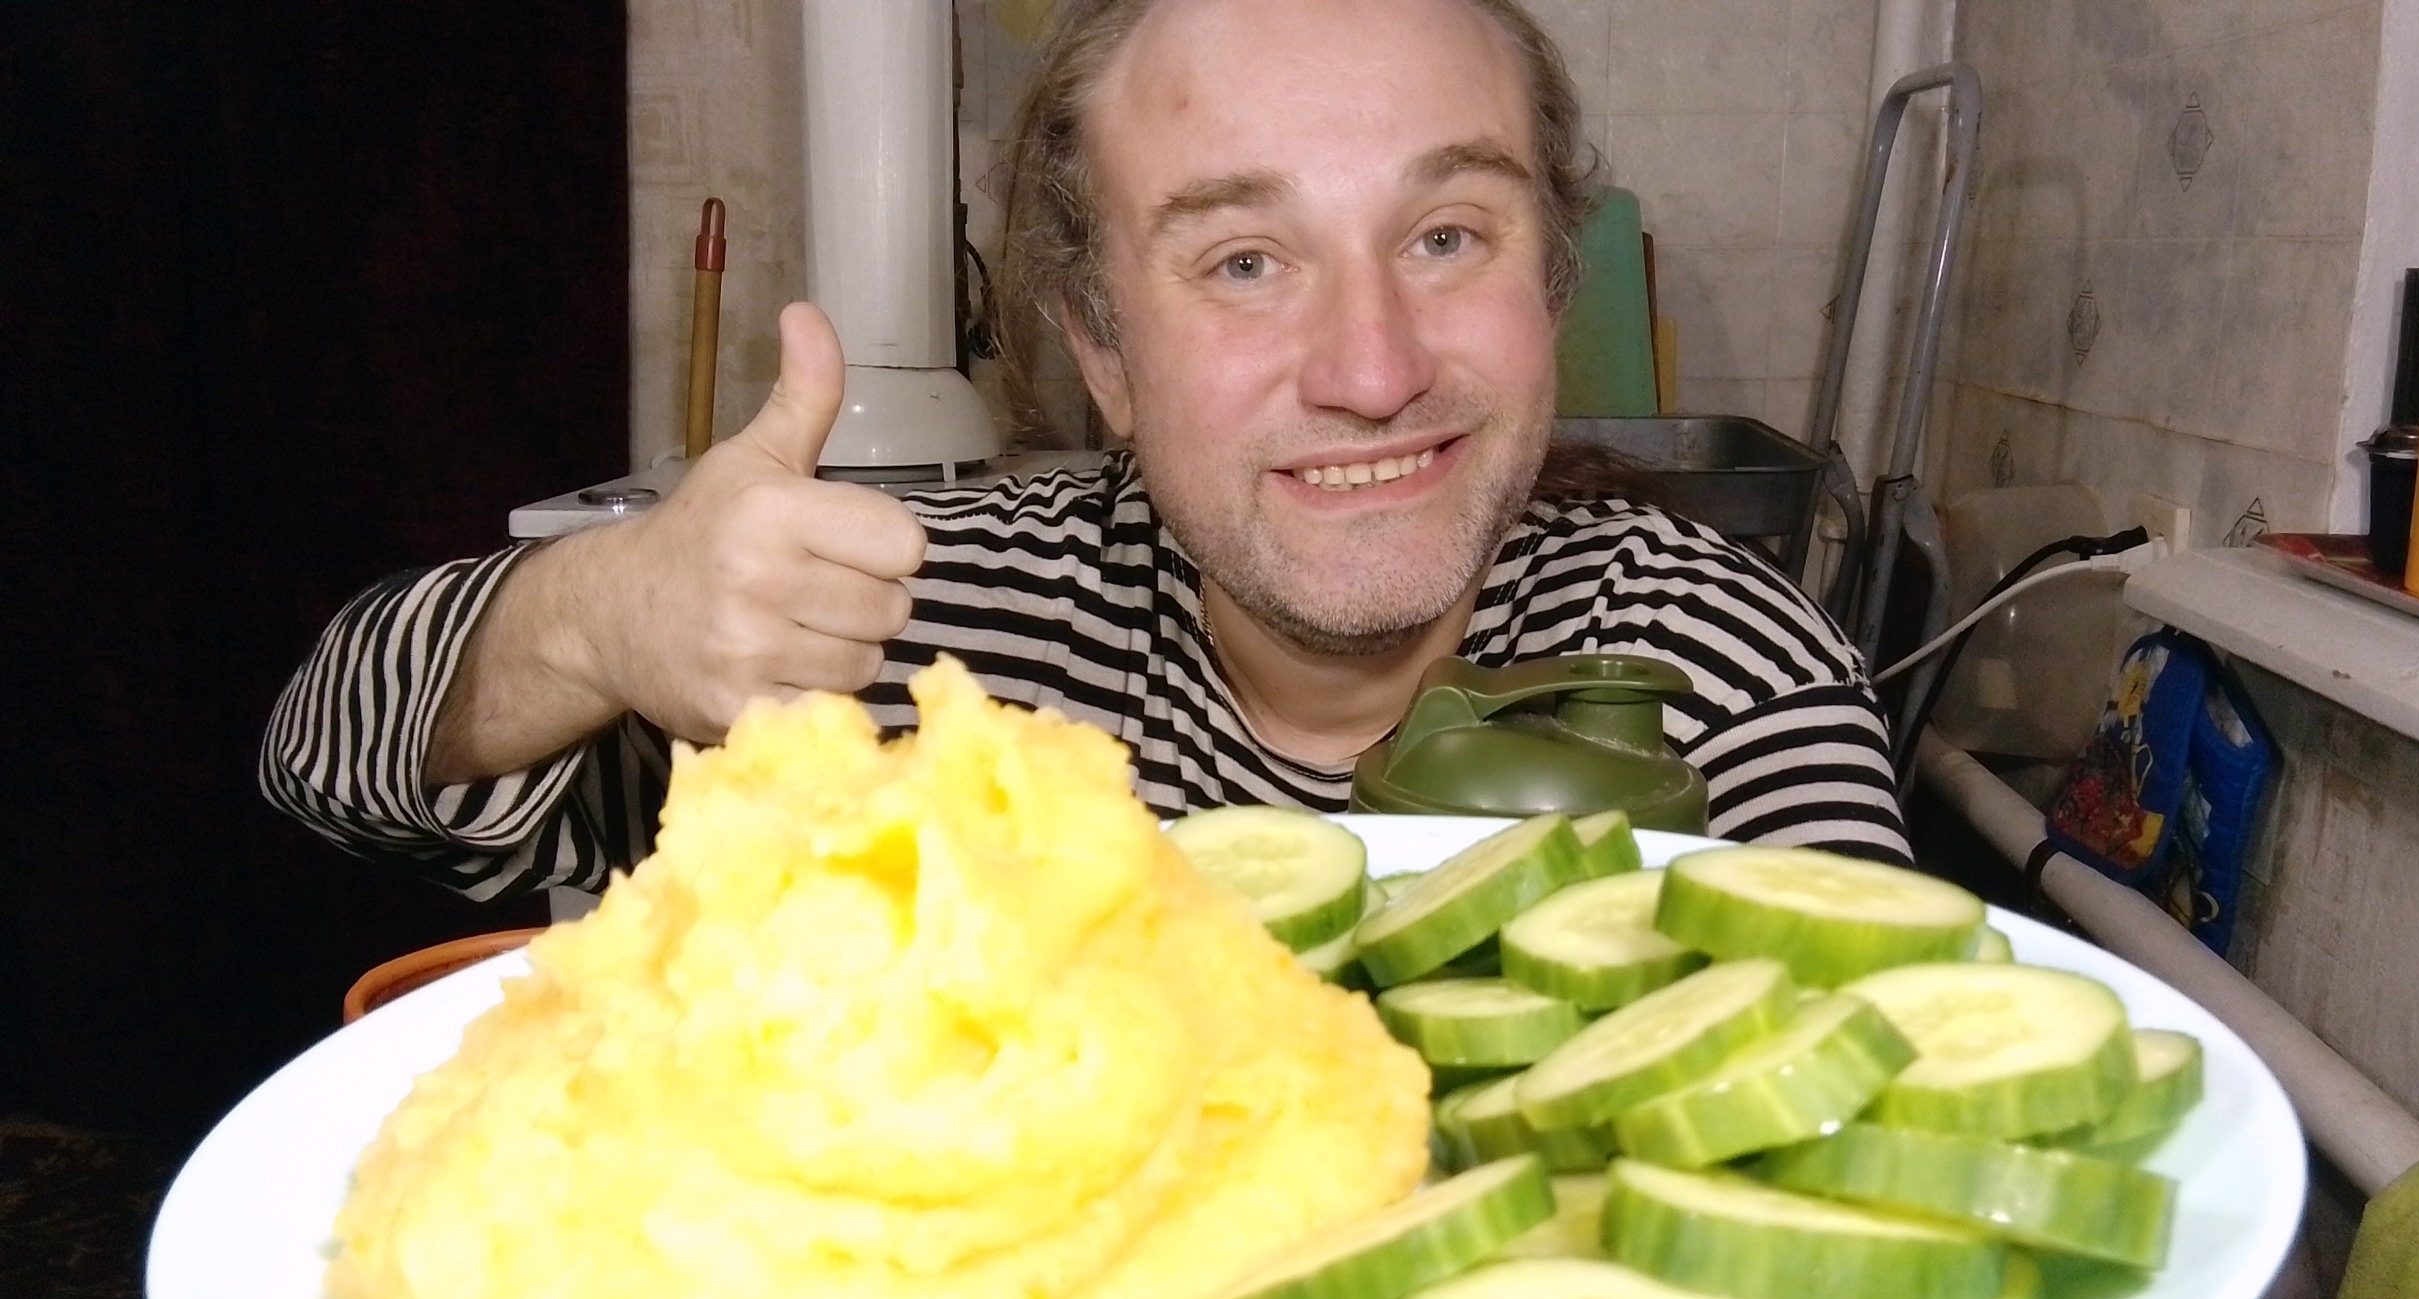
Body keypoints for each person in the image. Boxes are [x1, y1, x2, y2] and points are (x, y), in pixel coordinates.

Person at [262, 0, 1908, 901]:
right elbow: (331, 764)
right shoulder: (910, 644)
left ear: (1548, 287)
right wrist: (598, 613)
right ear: (1105, 352)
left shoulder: (1713, 662)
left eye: (1447, 237)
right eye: (1244, 261)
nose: (1374, 369)